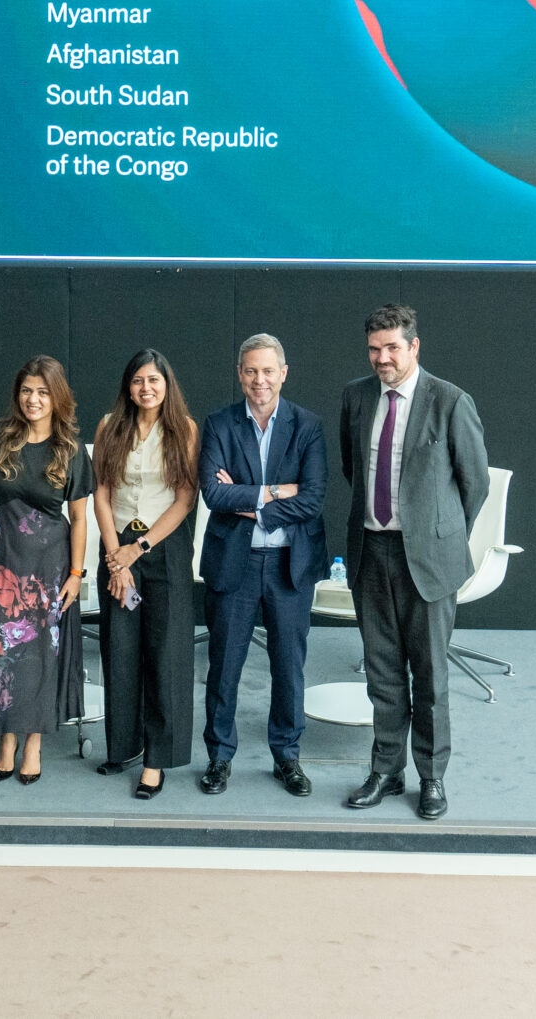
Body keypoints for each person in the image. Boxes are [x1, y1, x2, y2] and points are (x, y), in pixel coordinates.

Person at [339, 303, 488, 821]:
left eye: (392, 348)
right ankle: (386, 770)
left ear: (414, 346)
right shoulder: (356, 397)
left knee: (429, 676)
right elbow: (352, 468)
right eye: (374, 349)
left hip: (427, 559)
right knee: (382, 672)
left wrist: (438, 534)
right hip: (370, 551)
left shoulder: (450, 401)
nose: (382, 358)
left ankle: (431, 777)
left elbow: (475, 484)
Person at [197, 332, 328, 798]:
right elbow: (214, 494)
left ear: (283, 373)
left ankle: (287, 755)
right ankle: (219, 757)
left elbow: (312, 498)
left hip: (290, 564)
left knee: (288, 667)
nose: (260, 380)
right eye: (251, 371)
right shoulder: (218, 424)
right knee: (224, 665)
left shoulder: (308, 426)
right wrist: (276, 491)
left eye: (268, 370)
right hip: (235, 561)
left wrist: (252, 503)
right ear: (240, 374)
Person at [89, 349, 199, 800]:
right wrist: (116, 556)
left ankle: (157, 758)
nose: (146, 388)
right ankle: (125, 745)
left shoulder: (184, 429)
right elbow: (101, 493)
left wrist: (139, 549)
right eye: (138, 380)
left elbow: (185, 499)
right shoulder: (109, 426)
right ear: (128, 386)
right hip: (117, 547)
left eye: (154, 380)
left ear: (166, 385)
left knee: (165, 654)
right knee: (120, 650)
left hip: (162, 549)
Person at [0, 355, 91, 784]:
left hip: (49, 568)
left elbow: (79, 518)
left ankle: (33, 744)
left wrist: (76, 574)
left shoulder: (71, 449)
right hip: (2, 562)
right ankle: (5, 739)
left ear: (57, 397)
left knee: (41, 656)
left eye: (43, 392)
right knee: (4, 652)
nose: (33, 399)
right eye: (27, 390)